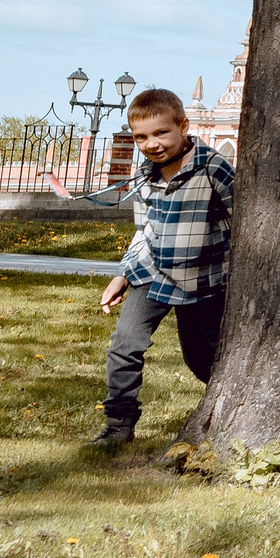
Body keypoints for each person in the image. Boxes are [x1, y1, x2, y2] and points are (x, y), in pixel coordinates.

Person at [90, 87, 233, 447]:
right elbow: (144, 230)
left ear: (183, 125)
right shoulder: (145, 175)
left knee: (201, 356)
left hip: (202, 280)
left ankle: (230, 414)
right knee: (124, 346)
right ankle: (118, 424)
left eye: (160, 133)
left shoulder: (213, 167)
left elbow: (242, 221)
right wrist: (122, 274)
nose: (151, 144)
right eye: (140, 137)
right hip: (151, 275)